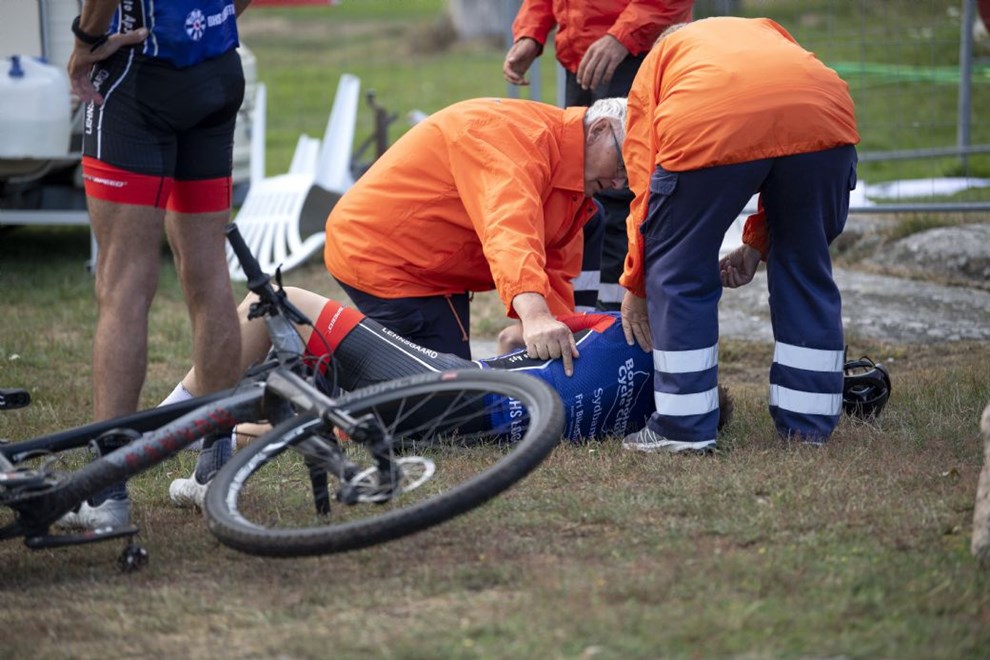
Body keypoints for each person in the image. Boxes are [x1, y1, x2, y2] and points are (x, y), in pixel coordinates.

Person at [161, 286, 734, 512]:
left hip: (458, 384)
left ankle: (159, 423)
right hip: (473, 430)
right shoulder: (641, 417)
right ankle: (218, 455)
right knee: (317, 399)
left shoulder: (620, 327)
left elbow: (520, 336)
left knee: (282, 301)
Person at [618, 17, 860, 453]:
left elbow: (645, 188)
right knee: (804, 266)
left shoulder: (657, 64)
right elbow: (779, 129)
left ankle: (683, 429)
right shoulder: (765, 30)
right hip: (825, 117)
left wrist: (638, 281)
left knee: (680, 273)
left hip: (708, 118)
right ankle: (808, 430)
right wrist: (757, 243)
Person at [57, 0, 251, 529]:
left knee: (124, 285)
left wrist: (84, 40)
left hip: (136, 70)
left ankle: (106, 491)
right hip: (215, 65)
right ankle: (218, 466)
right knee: (209, 270)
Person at [323, 96, 628, 377]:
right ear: (598, 130)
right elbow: (509, 230)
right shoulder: (520, 143)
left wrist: (562, 334)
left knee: (457, 387)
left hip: (433, 263)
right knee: (438, 403)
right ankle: (307, 377)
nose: (618, 182)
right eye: (620, 165)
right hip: (382, 251)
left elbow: (554, 264)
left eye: (628, 176)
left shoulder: (574, 178)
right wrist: (535, 316)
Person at [503, 0, 694, 313]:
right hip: (580, 55)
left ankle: (620, 313)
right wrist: (530, 33)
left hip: (637, 51)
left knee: (623, 185)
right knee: (575, 184)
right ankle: (577, 310)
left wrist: (623, 35)